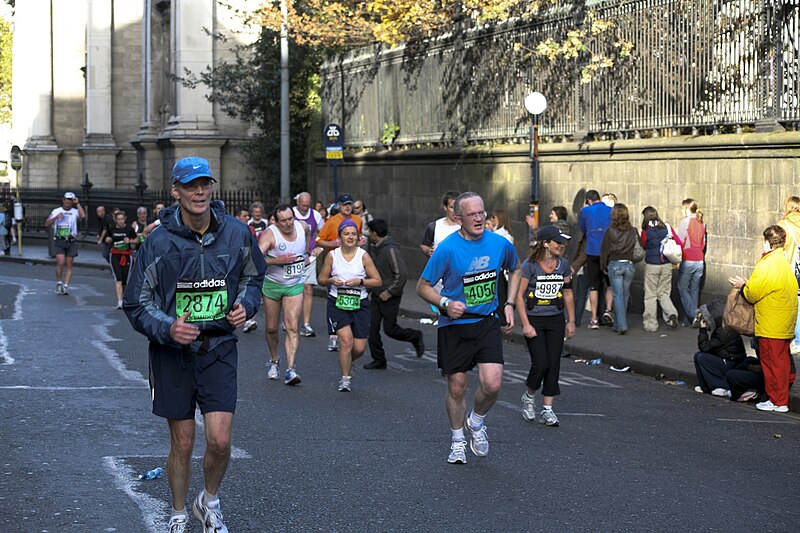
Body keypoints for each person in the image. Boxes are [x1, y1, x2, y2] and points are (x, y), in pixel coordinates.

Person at [123, 156, 266, 533]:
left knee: (219, 441)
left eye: (204, 184)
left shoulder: (236, 233)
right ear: (176, 191)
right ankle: (178, 512)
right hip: (172, 354)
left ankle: (210, 500)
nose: (199, 191)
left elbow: (255, 278)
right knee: (183, 444)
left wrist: (245, 306)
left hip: (219, 346)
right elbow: (136, 302)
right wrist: (169, 328)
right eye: (190, 185)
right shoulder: (158, 242)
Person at [416, 192, 521, 465]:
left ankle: (476, 422)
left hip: (486, 321)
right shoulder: (448, 248)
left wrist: (509, 303)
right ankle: (457, 441)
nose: (478, 218)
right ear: (458, 217)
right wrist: (445, 302)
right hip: (454, 324)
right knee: (457, 387)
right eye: (471, 214)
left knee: (493, 383)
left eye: (481, 212)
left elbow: (517, 269)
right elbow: (422, 286)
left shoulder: (499, 244)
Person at [729, 225, 798, 412]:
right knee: (781, 363)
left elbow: (753, 293)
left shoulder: (767, 263)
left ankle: (777, 400)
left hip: (771, 323)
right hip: (784, 321)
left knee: (771, 364)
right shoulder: (783, 262)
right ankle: (780, 399)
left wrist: (744, 285)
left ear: (767, 242)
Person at [516, 225, 575, 427]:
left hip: (556, 319)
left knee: (554, 364)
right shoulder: (529, 266)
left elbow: (567, 292)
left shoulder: (563, 265)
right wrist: (525, 324)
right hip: (535, 320)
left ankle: (547, 410)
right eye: (558, 242)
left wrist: (572, 320)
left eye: (563, 242)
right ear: (545, 243)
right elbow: (519, 296)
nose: (562, 245)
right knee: (541, 363)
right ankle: (529, 396)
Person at [317, 219, 382, 392]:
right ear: (339, 237)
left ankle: (350, 360)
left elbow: (377, 281)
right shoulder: (333, 255)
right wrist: (332, 280)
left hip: (359, 304)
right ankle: (345, 379)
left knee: (359, 348)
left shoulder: (363, 256)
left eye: (353, 234)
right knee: (346, 341)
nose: (350, 237)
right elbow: (321, 280)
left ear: (358, 237)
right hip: (337, 303)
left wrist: (360, 281)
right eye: (346, 234)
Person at [259, 203, 318, 385]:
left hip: (294, 284)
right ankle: (275, 360)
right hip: (273, 285)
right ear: (275, 222)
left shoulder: (302, 226)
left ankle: (291, 369)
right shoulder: (270, 234)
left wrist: (307, 253)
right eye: (283, 221)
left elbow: (309, 233)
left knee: (292, 326)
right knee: (271, 328)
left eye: (290, 218)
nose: (288, 223)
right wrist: (278, 260)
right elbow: (256, 258)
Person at [364, 219, 425, 369]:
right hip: (376, 295)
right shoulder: (374, 247)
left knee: (390, 330)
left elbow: (402, 274)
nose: (368, 234)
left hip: (389, 296)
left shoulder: (390, 249)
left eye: (370, 232)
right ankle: (379, 359)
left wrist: (389, 292)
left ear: (375, 233)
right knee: (372, 329)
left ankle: (415, 336)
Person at [316, 193, 365, 351]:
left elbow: (360, 236)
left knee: (353, 295)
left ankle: (349, 330)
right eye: (345, 204)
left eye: (350, 204)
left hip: (353, 262)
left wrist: (361, 239)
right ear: (339, 206)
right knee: (335, 296)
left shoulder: (357, 220)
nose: (348, 207)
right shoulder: (332, 222)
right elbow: (319, 240)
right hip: (335, 262)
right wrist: (331, 242)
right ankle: (333, 335)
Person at [692, 298, 748, 397]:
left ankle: (721, 386)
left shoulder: (724, 331)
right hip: (728, 359)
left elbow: (705, 347)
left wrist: (703, 330)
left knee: (702, 357)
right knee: (699, 356)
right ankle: (706, 386)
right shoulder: (722, 327)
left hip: (732, 362)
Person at [640, 206, 682, 331]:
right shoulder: (667, 228)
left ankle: (651, 324)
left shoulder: (645, 231)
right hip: (667, 265)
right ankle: (671, 314)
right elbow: (678, 242)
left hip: (652, 265)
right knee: (663, 293)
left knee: (650, 295)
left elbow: (644, 245)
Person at [600, 203, 639, 335]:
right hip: (629, 265)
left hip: (615, 264)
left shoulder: (609, 231)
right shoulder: (633, 230)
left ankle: (621, 325)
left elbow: (604, 250)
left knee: (617, 295)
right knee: (625, 294)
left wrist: (603, 266)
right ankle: (617, 324)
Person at [578, 190, 613, 329]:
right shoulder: (610, 210)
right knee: (609, 284)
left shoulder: (585, 211)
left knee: (594, 286)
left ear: (589, 200)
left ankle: (593, 319)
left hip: (592, 250)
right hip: (608, 251)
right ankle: (608, 311)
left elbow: (583, 228)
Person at [293, 192, 325, 337]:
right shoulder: (291, 213)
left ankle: (306, 324)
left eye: (307, 205)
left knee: (308, 288)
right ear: (298, 203)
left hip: (309, 257)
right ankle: (290, 318)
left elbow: (323, 234)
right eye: (302, 205)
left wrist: (320, 246)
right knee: (292, 289)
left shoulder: (316, 215)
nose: (305, 208)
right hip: (292, 256)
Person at [44, 192, 86, 295]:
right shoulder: (56, 211)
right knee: (60, 262)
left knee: (69, 264)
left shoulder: (75, 211)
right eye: (67, 201)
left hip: (71, 240)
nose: (68, 203)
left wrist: (78, 203)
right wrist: (56, 218)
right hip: (59, 239)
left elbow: (83, 216)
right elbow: (46, 223)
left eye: (70, 201)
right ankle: (59, 283)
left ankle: (65, 286)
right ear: (63, 200)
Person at [677, 198, 707, 327]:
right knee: (694, 289)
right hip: (700, 260)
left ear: (686, 209)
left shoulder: (685, 222)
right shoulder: (702, 223)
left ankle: (694, 313)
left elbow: (681, 241)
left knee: (682, 288)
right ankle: (691, 320)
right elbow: (703, 243)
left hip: (688, 258)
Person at [777, 196, 800, 355]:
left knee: (785, 304)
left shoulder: (782, 225)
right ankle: (798, 341)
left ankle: (790, 339)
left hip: (788, 270)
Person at [106, 210, 137, 309]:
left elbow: (137, 240)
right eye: (118, 219)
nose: (120, 221)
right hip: (115, 256)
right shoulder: (112, 229)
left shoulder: (129, 229)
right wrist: (108, 240)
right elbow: (108, 238)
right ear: (115, 220)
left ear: (125, 219)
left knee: (124, 280)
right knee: (118, 279)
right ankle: (119, 301)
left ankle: (123, 298)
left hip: (127, 256)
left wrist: (130, 240)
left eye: (122, 219)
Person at [420, 190, 460, 258]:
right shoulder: (434, 226)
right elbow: (424, 245)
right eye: (452, 207)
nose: (455, 211)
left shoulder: (466, 226)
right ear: (445, 207)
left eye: (457, 207)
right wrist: (428, 251)